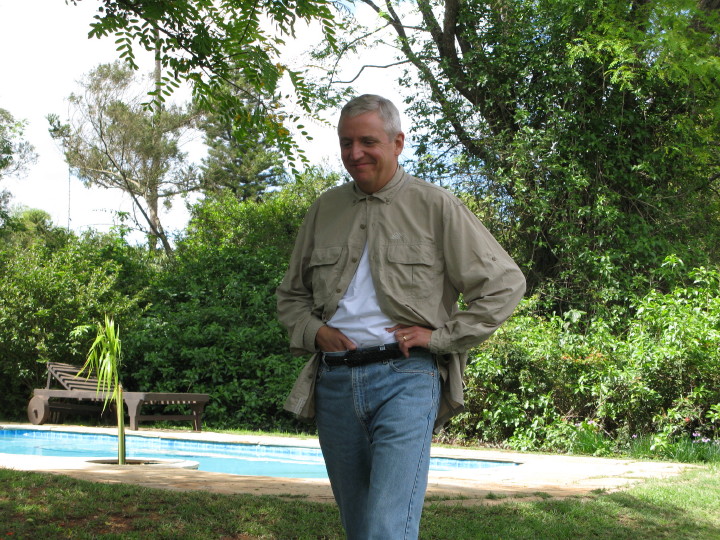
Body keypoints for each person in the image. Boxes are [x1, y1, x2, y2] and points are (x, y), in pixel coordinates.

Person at [276, 94, 526, 539]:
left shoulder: (436, 205)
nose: (355, 153)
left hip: (406, 378)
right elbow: (291, 295)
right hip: (335, 382)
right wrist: (315, 332)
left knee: (387, 528)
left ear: (397, 143)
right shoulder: (325, 209)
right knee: (360, 527)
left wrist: (440, 337)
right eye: (346, 142)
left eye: (367, 142)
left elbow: (504, 284)